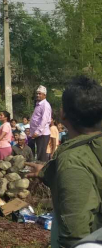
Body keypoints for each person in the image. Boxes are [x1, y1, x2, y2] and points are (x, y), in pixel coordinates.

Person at [23, 76, 102, 248]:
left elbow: (76, 236)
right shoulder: (92, 148)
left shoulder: (71, 161)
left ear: (63, 114)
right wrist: (48, 171)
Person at [29, 85, 53, 161]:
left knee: (42, 155)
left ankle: (42, 167)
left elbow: (44, 120)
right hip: (37, 134)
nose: (37, 95)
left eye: (39, 94)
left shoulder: (45, 105)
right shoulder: (38, 104)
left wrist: (37, 131)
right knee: (38, 154)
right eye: (37, 93)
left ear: (44, 95)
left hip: (42, 134)